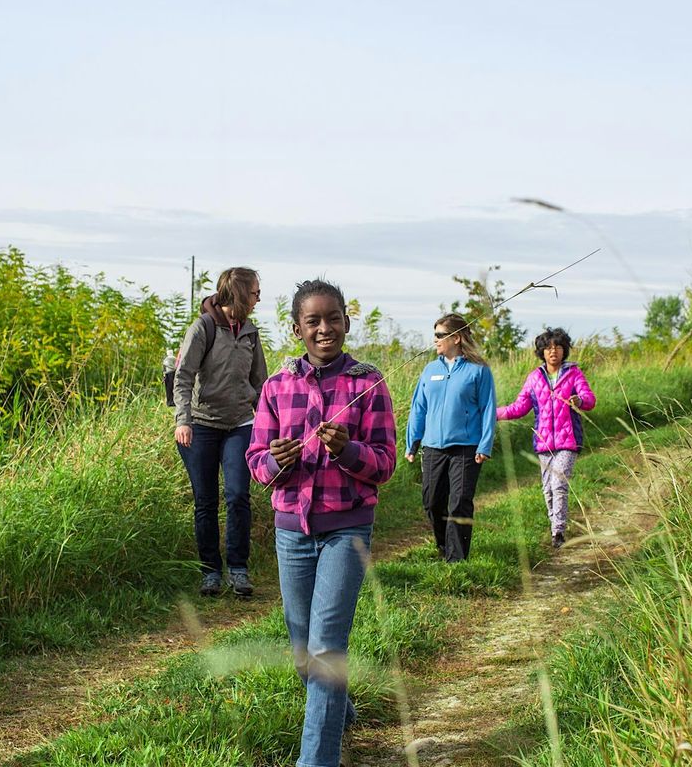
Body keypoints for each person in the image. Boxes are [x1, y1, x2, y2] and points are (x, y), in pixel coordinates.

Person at [246, 279, 396, 767]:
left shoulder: (368, 383)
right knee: (303, 653)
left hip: (347, 529)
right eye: (313, 321)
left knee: (327, 646)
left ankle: (316, 760)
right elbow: (256, 463)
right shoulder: (276, 386)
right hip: (292, 531)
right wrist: (277, 461)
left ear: (347, 323)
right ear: (297, 329)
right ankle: (339, 710)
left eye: (334, 318)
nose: (325, 328)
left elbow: (385, 463)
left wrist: (347, 451)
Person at [174, 266, 269, 597]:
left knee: (238, 495)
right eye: (256, 292)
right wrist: (182, 420)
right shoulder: (203, 328)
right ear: (241, 293)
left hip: (240, 424)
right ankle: (211, 572)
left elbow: (260, 383)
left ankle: (239, 569)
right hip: (200, 425)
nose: (259, 298)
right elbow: (183, 376)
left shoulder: (251, 332)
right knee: (206, 501)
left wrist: (271, 422)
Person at [405, 314, 496, 562]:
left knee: (459, 503)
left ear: (456, 338)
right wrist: (412, 441)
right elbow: (418, 407)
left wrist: (485, 444)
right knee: (432, 501)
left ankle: (457, 560)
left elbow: (488, 409)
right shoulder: (430, 369)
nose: (434, 340)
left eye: (439, 335)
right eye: (434, 334)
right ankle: (444, 544)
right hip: (433, 446)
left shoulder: (479, 370)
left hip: (467, 447)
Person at [496, 327, 595, 549]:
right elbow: (519, 407)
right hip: (543, 442)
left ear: (564, 350)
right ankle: (555, 524)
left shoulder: (574, 374)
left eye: (558, 347)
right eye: (549, 348)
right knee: (548, 488)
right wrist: (493, 414)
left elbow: (589, 399)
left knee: (559, 483)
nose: (553, 352)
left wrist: (579, 401)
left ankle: (558, 532)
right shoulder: (534, 378)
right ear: (542, 351)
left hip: (568, 441)